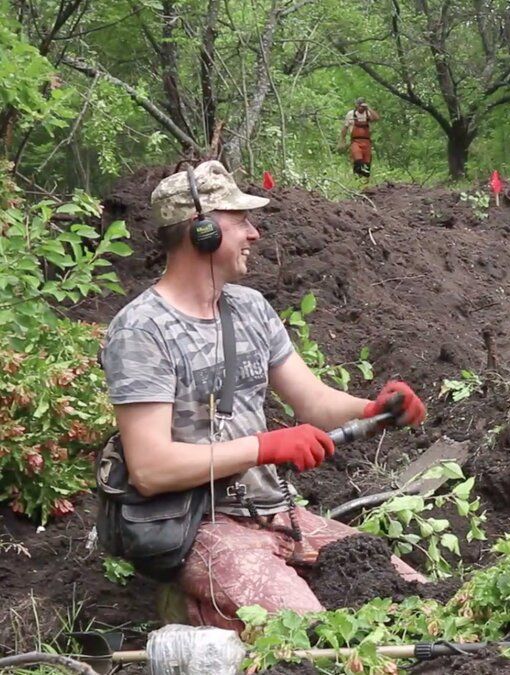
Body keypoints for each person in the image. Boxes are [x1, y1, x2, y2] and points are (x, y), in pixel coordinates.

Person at [101, 160, 428, 629]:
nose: (254, 234)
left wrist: (375, 409)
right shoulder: (141, 330)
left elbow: (312, 402)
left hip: (275, 512)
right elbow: (151, 468)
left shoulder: (249, 308)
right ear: (204, 231)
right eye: (241, 222)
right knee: (319, 636)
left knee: (413, 601)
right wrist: (265, 446)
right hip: (201, 526)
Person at [339, 98, 380, 178]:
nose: (361, 108)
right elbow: (345, 128)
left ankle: (365, 182)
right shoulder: (351, 114)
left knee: (367, 164)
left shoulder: (368, 113)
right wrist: (342, 140)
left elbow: (377, 118)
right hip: (355, 141)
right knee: (358, 160)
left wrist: (368, 108)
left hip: (367, 142)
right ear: (356, 105)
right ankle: (357, 178)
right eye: (359, 106)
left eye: (362, 106)